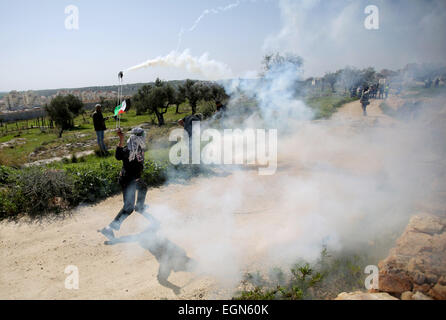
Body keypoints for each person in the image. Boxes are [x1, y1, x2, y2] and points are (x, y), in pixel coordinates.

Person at [100, 127, 151, 239]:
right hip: (129, 180)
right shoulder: (128, 150)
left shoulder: (138, 147)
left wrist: (122, 138)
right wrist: (121, 139)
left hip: (133, 178)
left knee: (143, 188)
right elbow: (118, 156)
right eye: (142, 136)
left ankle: (140, 207)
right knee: (128, 208)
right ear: (137, 137)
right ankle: (109, 229)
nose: (144, 138)